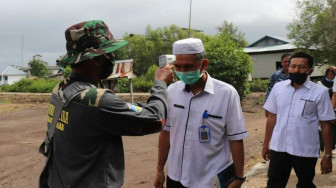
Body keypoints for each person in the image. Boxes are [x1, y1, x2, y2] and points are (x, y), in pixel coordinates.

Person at [38, 20, 174, 188]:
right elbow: (155, 119)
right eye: (109, 53)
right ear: (97, 58)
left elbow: (112, 110)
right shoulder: (98, 100)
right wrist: (160, 83)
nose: (111, 58)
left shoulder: (61, 90)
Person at [153, 38, 248, 188]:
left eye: (188, 67)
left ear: (204, 64)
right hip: (175, 178)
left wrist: (239, 177)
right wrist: (159, 169)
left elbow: (236, 138)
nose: (183, 72)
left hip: (209, 181)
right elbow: (166, 132)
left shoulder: (226, 94)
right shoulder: (171, 91)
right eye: (178, 67)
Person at [262, 52, 334, 188]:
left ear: (310, 71)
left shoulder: (319, 92)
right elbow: (272, 118)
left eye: (301, 67)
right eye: (293, 66)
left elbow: (326, 125)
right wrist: (266, 144)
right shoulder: (278, 88)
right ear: (288, 68)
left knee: (305, 184)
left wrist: (328, 156)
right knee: (274, 184)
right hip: (279, 148)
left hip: (305, 149)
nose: (296, 70)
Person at [264, 53, 291, 117]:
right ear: (281, 63)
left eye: (289, 62)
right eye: (285, 62)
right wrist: (267, 106)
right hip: (278, 105)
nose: (287, 63)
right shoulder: (275, 75)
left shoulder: (297, 75)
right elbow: (270, 90)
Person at [317, 68, 336, 151]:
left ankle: (331, 147)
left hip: (334, 109)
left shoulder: (335, 83)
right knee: (322, 127)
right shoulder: (320, 84)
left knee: (332, 129)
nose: (330, 76)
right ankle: (321, 146)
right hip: (323, 108)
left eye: (332, 74)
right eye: (328, 74)